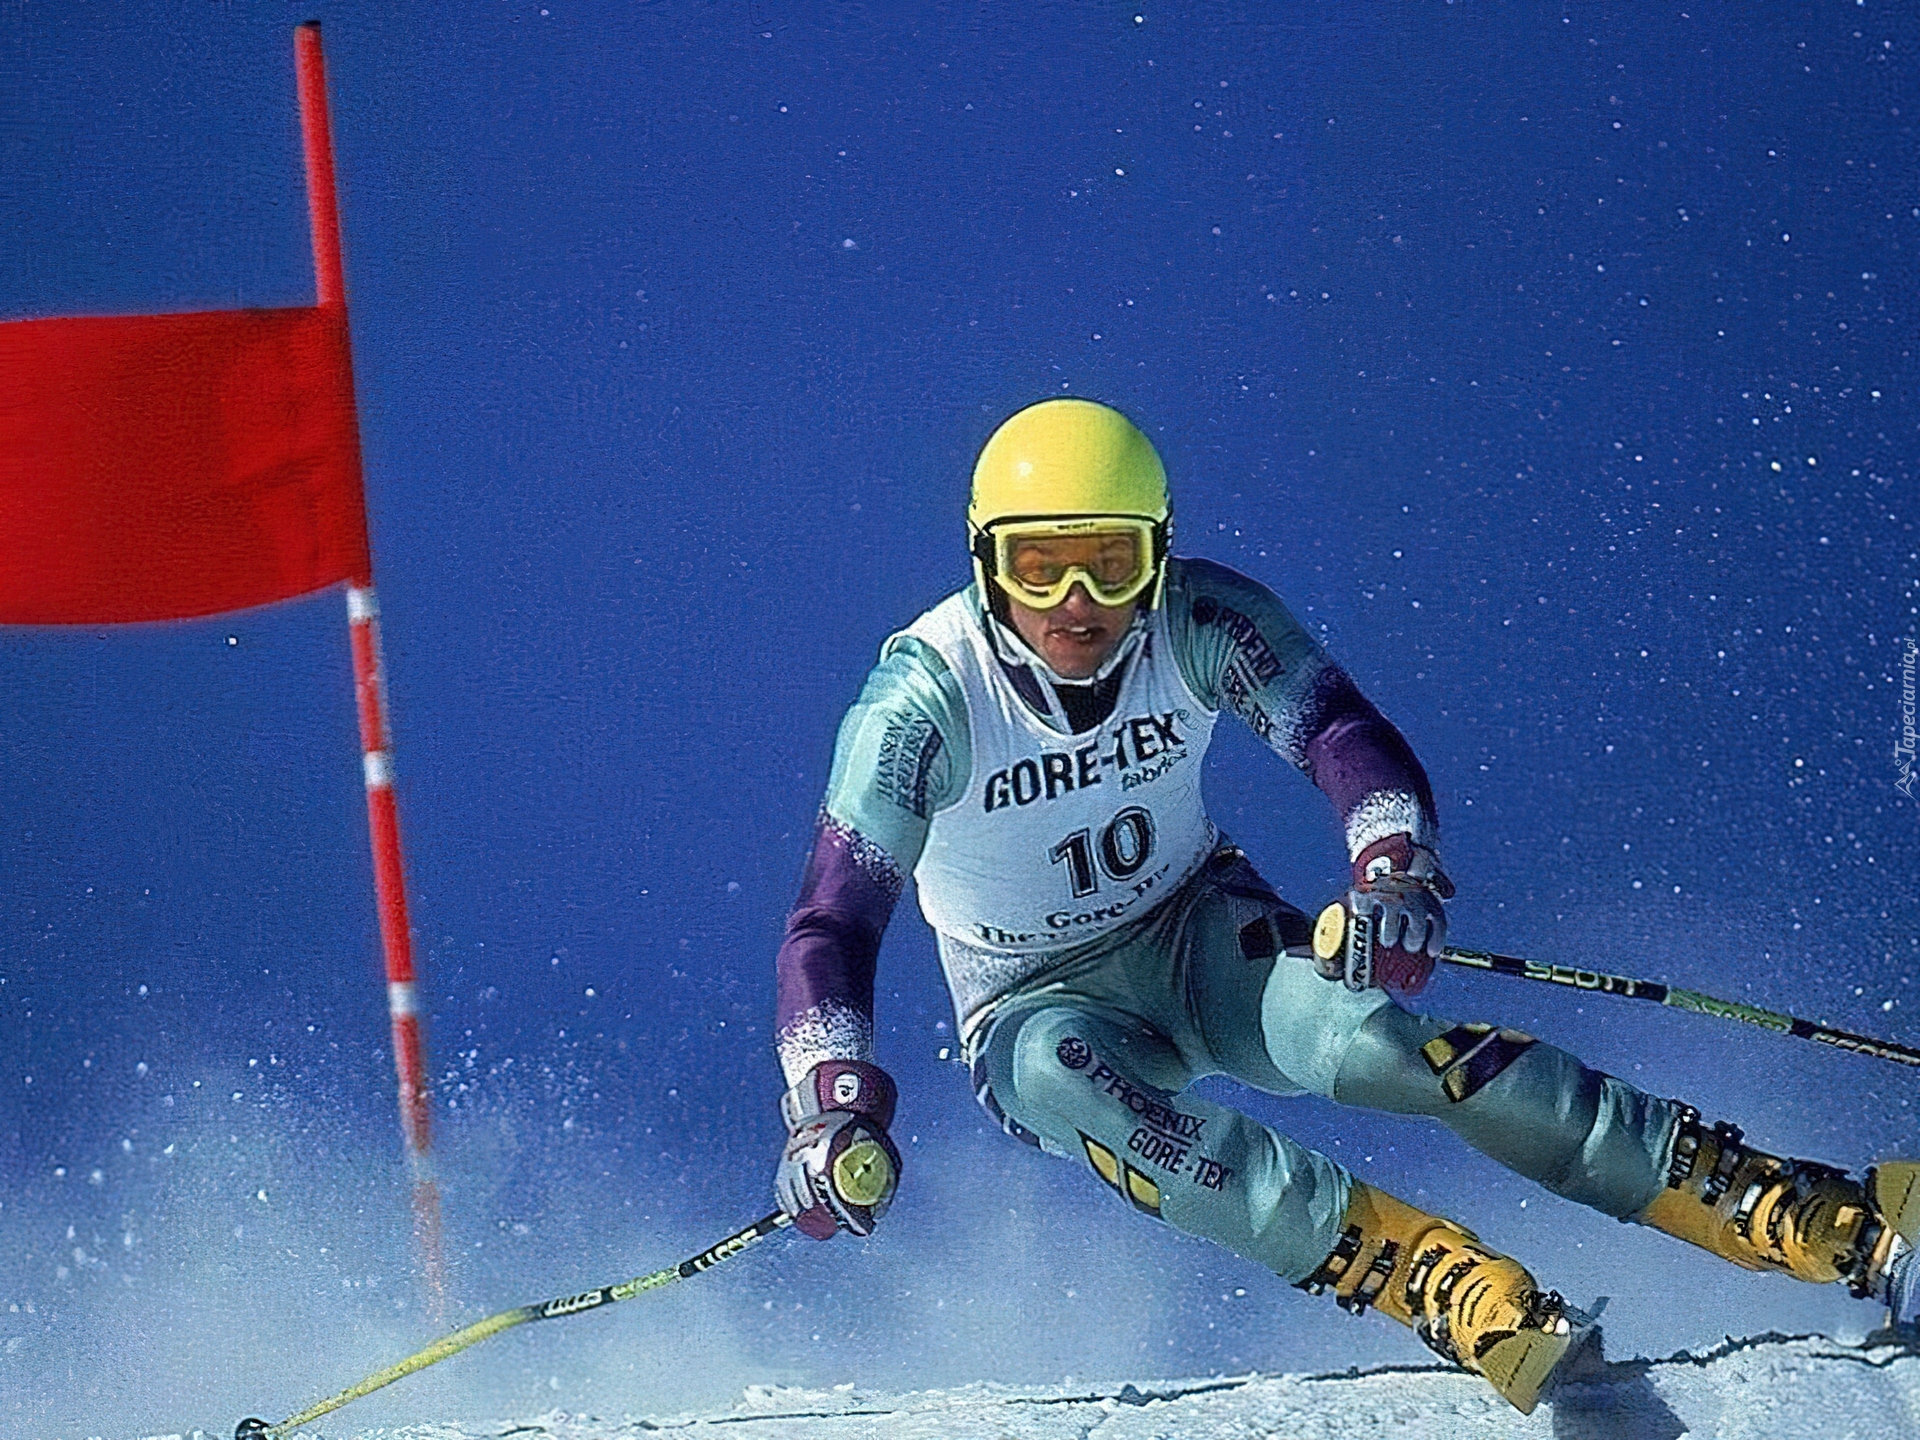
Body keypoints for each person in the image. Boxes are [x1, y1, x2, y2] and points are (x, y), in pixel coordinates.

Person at [769, 398, 1920, 1413]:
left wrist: (1391, 867)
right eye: (1039, 567)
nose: (1077, 605)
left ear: (1158, 556)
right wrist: (827, 1102)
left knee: (1383, 1049)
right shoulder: (924, 705)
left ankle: (1813, 1214)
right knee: (1075, 1086)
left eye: (1112, 564)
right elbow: (834, 923)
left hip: (1195, 936)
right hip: (1034, 1001)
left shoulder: (1197, 620)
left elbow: (1337, 732)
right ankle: (1434, 1279)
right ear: (985, 563)